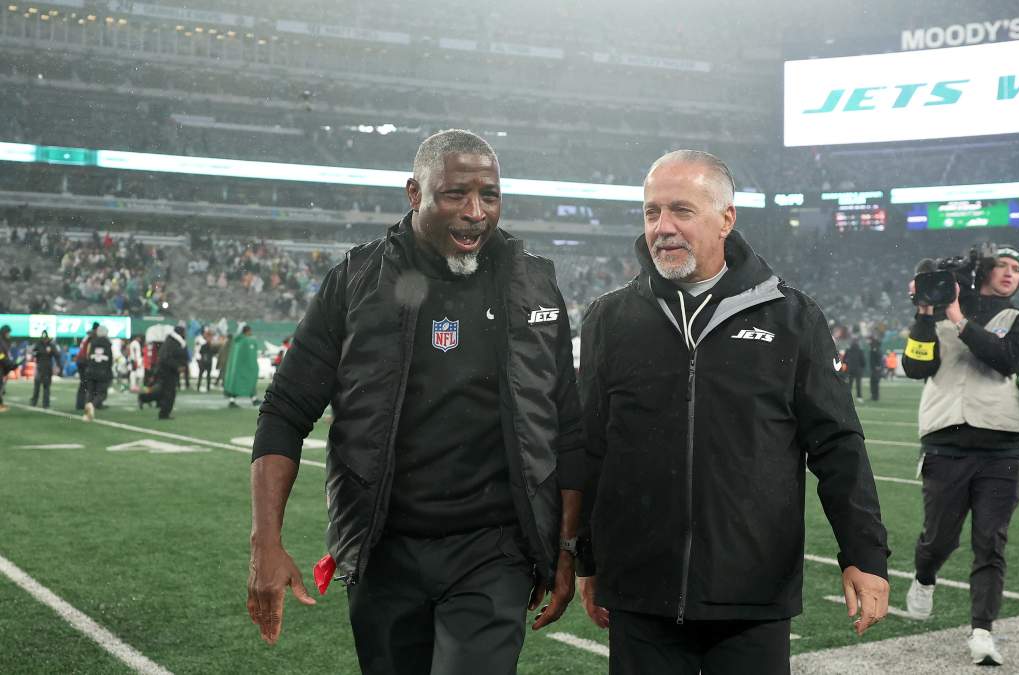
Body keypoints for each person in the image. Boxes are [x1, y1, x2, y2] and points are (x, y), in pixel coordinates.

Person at [246, 129, 584, 673]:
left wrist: (566, 549)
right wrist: (266, 541)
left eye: (490, 195)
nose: (475, 212)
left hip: (494, 551)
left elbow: (566, 426)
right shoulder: (356, 280)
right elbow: (285, 410)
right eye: (455, 194)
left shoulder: (534, 285)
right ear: (414, 193)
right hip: (384, 549)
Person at [576, 150, 890, 674]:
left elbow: (837, 444)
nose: (662, 227)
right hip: (640, 591)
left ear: (726, 219)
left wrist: (864, 554)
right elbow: (591, 447)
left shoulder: (791, 317)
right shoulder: (611, 318)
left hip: (752, 591)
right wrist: (586, 557)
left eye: (681, 210)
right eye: (652, 212)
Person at [900, 246, 1019, 666]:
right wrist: (924, 314)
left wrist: (959, 320)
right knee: (939, 539)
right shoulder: (940, 313)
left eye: (1017, 268)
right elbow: (915, 367)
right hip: (946, 442)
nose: (1010, 273)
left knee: (990, 542)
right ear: (984, 271)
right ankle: (925, 576)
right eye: (1002, 266)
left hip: (1003, 445)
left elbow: (1008, 359)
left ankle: (982, 632)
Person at [82, 325, 114, 421]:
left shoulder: (93, 342)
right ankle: (92, 405)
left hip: (91, 371)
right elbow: (110, 360)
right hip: (102, 372)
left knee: (90, 392)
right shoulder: (108, 343)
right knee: (101, 393)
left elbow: (88, 356)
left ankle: (87, 414)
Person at [223, 325, 261, 407]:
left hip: (236, 368)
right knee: (249, 382)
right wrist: (254, 366)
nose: (251, 333)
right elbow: (251, 356)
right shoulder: (247, 341)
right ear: (247, 331)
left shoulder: (236, 341)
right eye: (250, 331)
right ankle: (251, 400)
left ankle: (252, 399)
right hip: (246, 367)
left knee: (236, 384)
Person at [29, 330, 61, 409]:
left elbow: (57, 355)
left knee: (46, 386)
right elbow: (33, 353)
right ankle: (34, 401)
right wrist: (37, 353)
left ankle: (46, 403)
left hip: (47, 368)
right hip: (39, 367)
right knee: (37, 386)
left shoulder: (51, 345)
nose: (45, 340)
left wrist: (58, 365)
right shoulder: (38, 344)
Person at [0, 324, 16, 412]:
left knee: (1, 386)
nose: (9, 335)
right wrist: (8, 363)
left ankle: (1, 403)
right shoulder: (1, 342)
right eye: (8, 333)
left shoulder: (4, 342)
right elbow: (1, 355)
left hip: (2, 367)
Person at [846, 337, 866, 403]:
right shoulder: (860, 351)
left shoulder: (848, 350)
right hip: (858, 369)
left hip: (850, 369)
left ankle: (847, 397)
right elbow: (863, 361)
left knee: (850, 384)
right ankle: (859, 397)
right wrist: (862, 367)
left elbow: (844, 360)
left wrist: (848, 365)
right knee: (858, 384)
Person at [869, 336, 884, 402]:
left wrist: (878, 366)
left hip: (876, 369)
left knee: (875, 382)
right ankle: (873, 395)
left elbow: (878, 359)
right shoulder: (875, 349)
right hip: (874, 369)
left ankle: (875, 396)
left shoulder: (876, 350)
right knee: (873, 382)